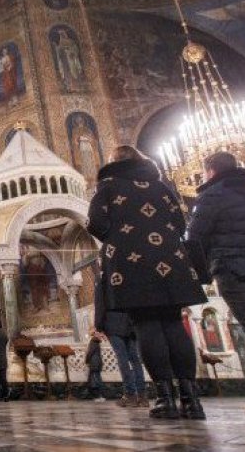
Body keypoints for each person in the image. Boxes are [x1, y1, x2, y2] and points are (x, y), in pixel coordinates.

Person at [88, 145, 207, 420]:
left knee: (147, 325)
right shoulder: (160, 186)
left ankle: (166, 399)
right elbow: (180, 222)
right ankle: (192, 400)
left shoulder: (108, 186)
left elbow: (95, 222)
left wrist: (119, 237)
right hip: (171, 259)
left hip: (131, 264)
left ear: (113, 162)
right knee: (174, 324)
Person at [187, 151, 245, 417]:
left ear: (210, 171)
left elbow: (195, 237)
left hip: (234, 269)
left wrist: (201, 275)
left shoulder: (213, 195)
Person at [94, 278, 148, 407]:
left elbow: (100, 304)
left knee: (122, 359)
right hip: (131, 323)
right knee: (135, 360)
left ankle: (130, 395)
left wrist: (99, 326)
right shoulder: (128, 277)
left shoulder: (104, 282)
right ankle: (142, 396)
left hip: (113, 323)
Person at [85, 331, 105, 402]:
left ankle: (98, 396)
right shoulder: (97, 342)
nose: (101, 336)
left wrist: (86, 361)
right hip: (98, 363)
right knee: (98, 379)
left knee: (95, 380)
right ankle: (100, 395)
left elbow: (90, 353)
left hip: (94, 364)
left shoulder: (93, 342)